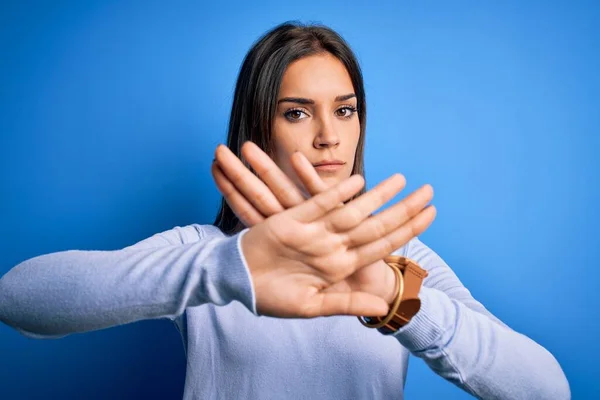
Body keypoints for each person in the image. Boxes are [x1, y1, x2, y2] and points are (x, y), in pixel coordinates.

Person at [0, 21, 569, 399]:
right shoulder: (205, 252)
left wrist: (394, 296)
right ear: (258, 126)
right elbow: (18, 297)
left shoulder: (400, 259)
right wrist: (225, 268)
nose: (329, 137)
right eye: (297, 113)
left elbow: (547, 389)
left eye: (345, 111)